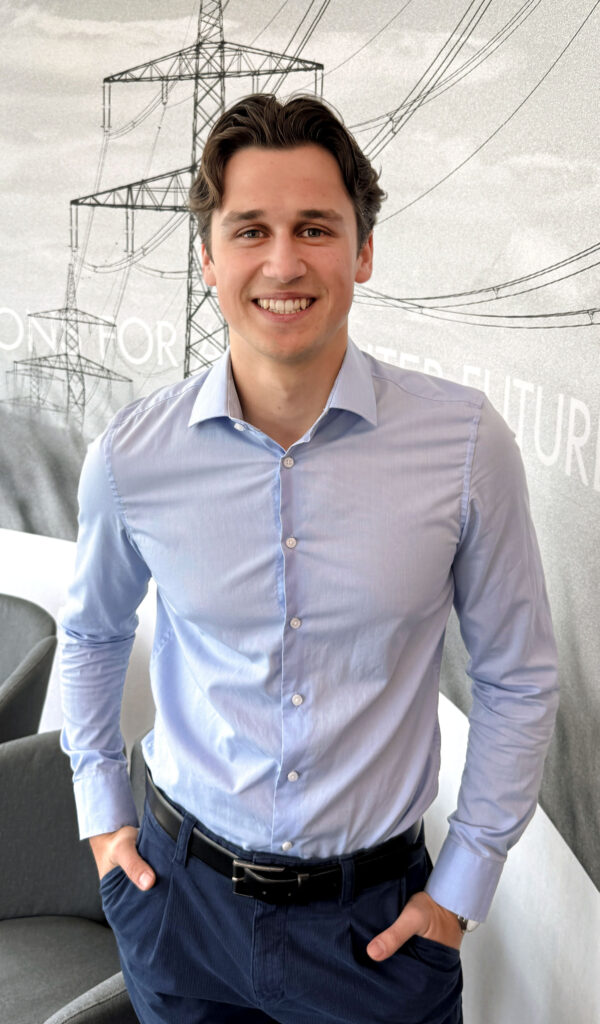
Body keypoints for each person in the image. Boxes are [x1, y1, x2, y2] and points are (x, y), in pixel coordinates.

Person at [60, 93, 559, 1024]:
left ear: (362, 251)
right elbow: (92, 631)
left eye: (316, 228)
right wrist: (102, 819)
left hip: (375, 936)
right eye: (251, 229)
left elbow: (518, 677)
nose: (283, 263)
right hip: (180, 911)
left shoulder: (463, 446)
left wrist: (463, 885)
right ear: (208, 258)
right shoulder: (133, 455)